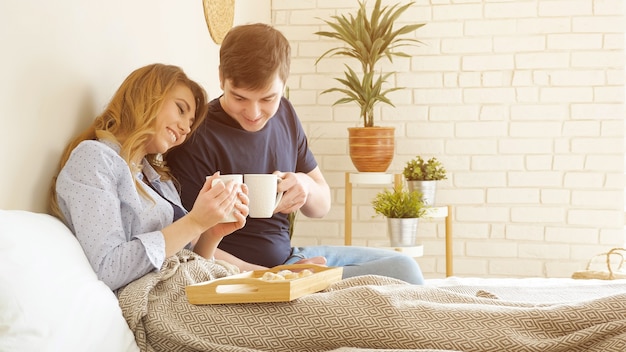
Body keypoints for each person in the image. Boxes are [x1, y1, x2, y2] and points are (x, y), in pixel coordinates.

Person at [166, 23, 425, 284]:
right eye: (240, 98)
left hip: (291, 259)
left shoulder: (286, 114)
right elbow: (191, 241)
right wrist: (266, 275)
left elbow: (322, 205)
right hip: (245, 273)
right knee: (400, 278)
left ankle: (317, 287)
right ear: (222, 78)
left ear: (284, 83)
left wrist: (304, 185)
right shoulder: (197, 135)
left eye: (267, 99)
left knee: (405, 267)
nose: (254, 113)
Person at [49, 63, 250, 291]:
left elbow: (188, 262)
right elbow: (108, 267)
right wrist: (194, 222)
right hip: (152, 301)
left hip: (185, 290)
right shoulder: (94, 159)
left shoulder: (158, 179)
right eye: (181, 110)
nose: (186, 128)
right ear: (147, 97)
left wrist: (211, 233)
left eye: (191, 123)